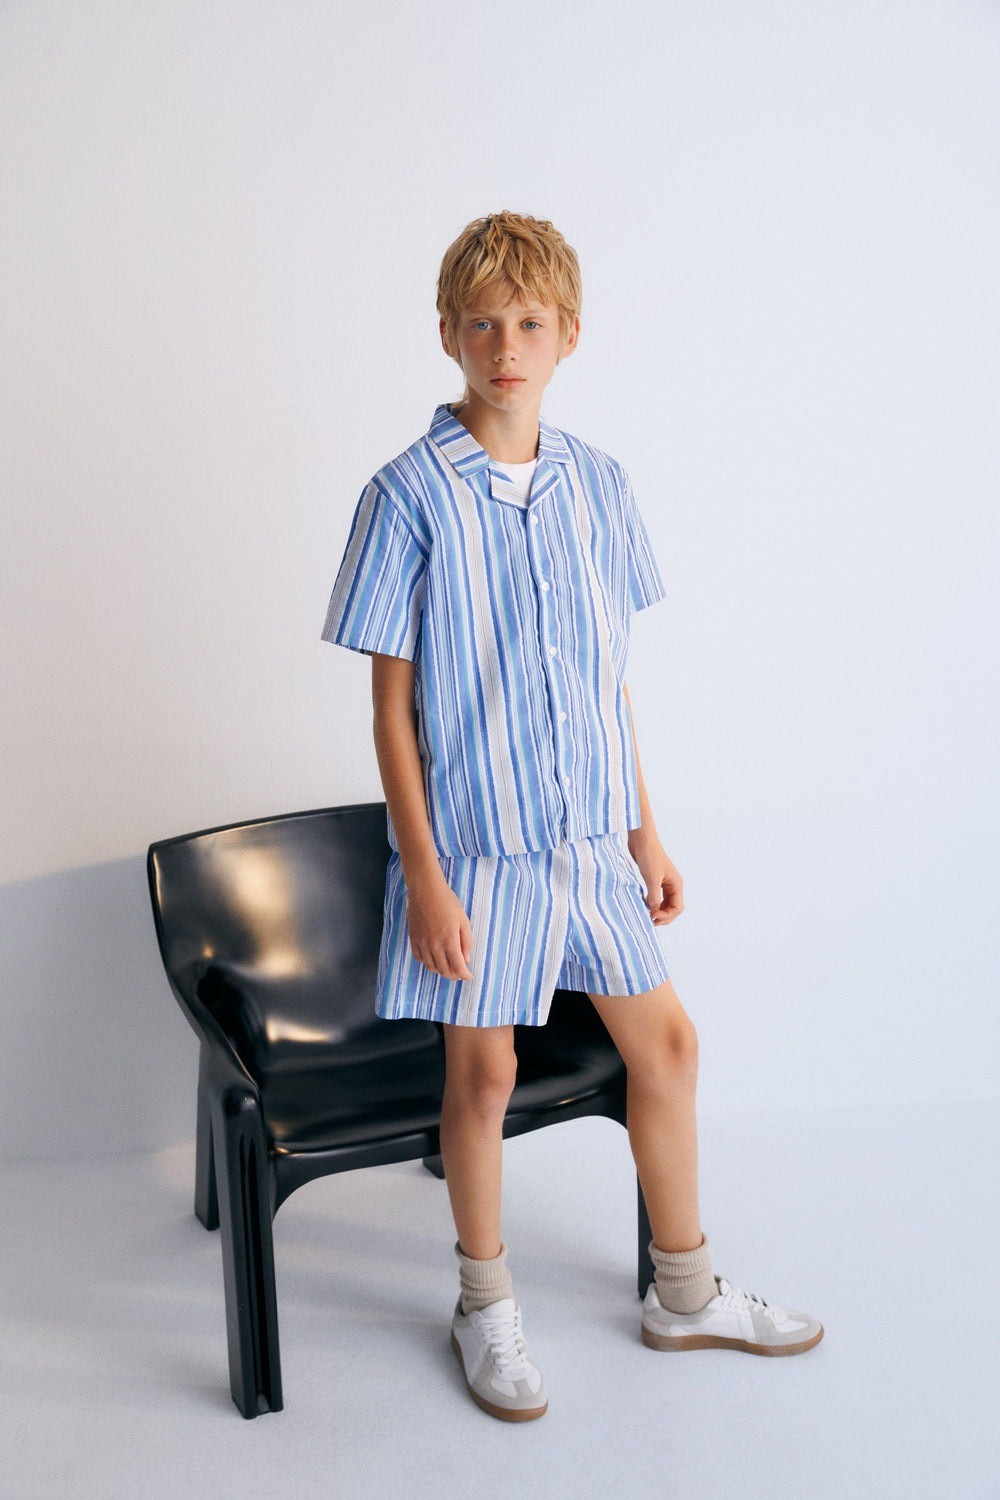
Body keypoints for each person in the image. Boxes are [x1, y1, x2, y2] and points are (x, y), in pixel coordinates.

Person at [320, 210, 823, 1423]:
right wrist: (424, 875)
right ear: (447, 334)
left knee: (670, 1047)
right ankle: (483, 1305)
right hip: (477, 853)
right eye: (483, 323)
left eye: (530, 323)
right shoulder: (405, 497)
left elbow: (605, 679)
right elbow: (390, 711)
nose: (507, 346)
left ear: (569, 336)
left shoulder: (600, 485)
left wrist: (644, 829)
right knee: (484, 1075)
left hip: (593, 843)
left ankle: (684, 1292)